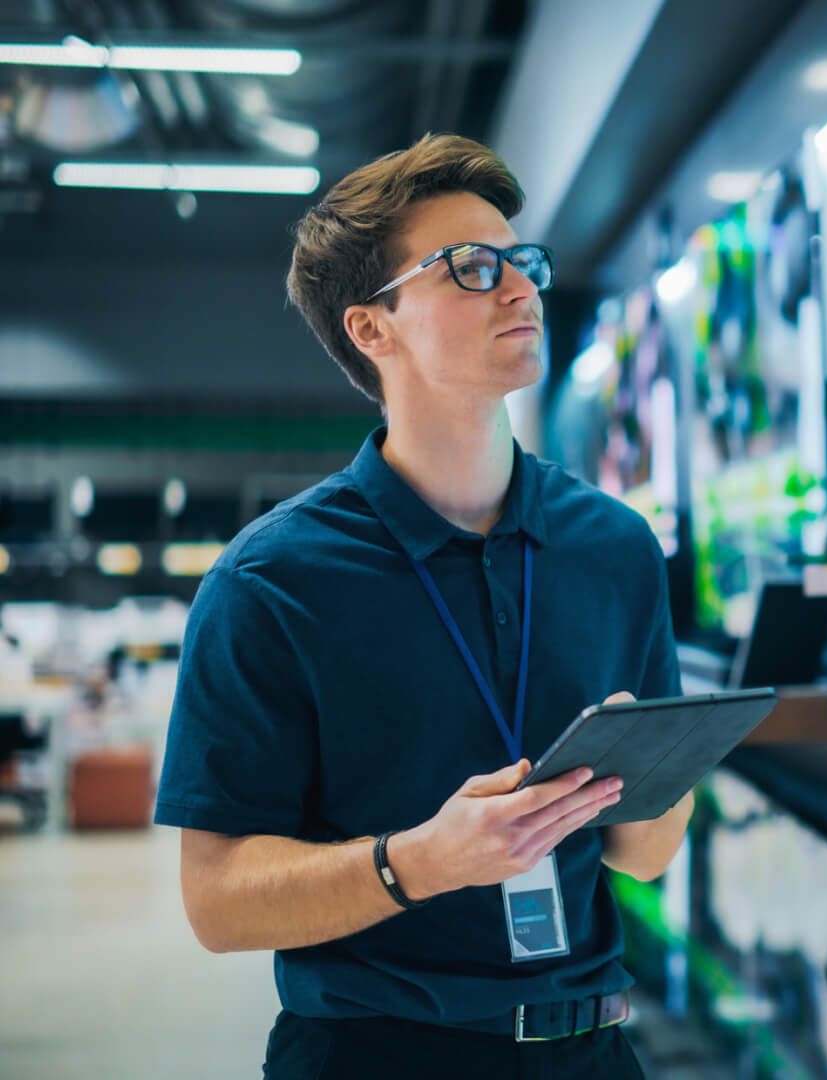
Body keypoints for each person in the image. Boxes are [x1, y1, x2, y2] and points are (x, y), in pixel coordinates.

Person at [154, 133, 685, 1078]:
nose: (521, 287)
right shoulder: (270, 583)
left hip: (592, 1051)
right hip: (373, 1054)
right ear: (372, 329)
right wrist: (421, 862)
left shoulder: (614, 548)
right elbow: (218, 900)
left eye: (523, 262)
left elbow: (641, 856)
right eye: (472, 269)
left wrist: (643, 772)